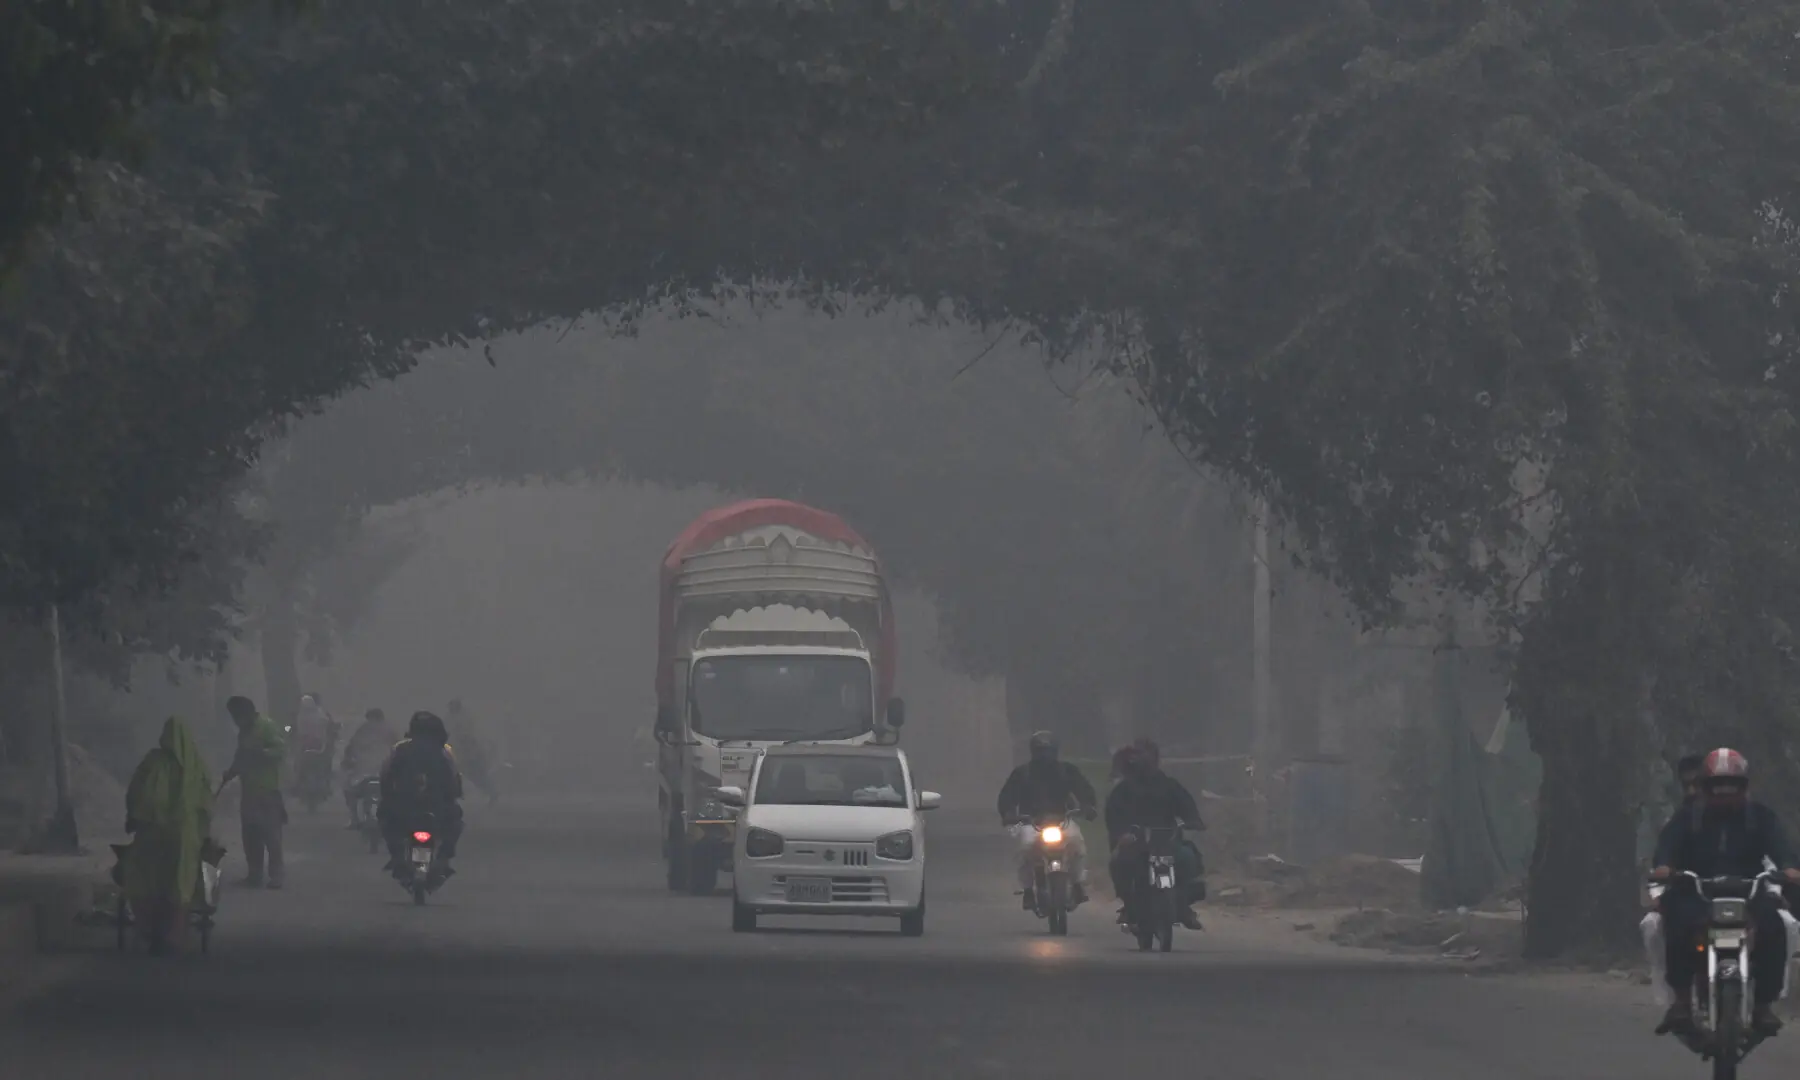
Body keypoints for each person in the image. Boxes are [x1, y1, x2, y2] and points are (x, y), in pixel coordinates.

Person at [1651, 747, 1800, 1036]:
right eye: (1717, 786)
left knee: (1775, 927)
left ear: (1744, 787)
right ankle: (1681, 1001)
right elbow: (1667, 847)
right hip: (1696, 891)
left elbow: (1781, 847)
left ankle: (1763, 1006)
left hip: (1749, 891)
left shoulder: (1761, 817)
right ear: (1705, 787)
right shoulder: (1687, 817)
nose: (1724, 792)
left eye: (1732, 786)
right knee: (1675, 925)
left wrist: (1789, 867)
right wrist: (1665, 867)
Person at [117, 717, 215, 954]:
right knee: (180, 884)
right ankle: (174, 937)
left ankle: (149, 931)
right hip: (184, 838)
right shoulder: (197, 766)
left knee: (146, 880)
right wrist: (202, 832)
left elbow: (137, 794)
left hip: (152, 835)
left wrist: (134, 818)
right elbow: (205, 805)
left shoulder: (153, 762)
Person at [1106, 740, 1205, 930]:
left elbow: (1187, 807)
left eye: (1147, 755)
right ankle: (1129, 905)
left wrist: (1193, 821)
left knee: (1188, 859)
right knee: (1119, 863)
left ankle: (1183, 905)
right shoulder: (1124, 789)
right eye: (1139, 755)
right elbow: (1113, 816)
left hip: (1167, 842)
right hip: (1136, 843)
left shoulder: (1169, 785)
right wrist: (1122, 834)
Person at [996, 731, 1098, 909]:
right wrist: (1008, 813)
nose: (1044, 755)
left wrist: (1088, 806)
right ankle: (1028, 890)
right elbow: (1007, 796)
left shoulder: (1067, 771)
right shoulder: (1022, 773)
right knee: (1024, 849)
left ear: (1055, 751)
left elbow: (1083, 789)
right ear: (1033, 751)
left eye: (1047, 750)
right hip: (1030, 822)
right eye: (1040, 751)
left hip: (1062, 820)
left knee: (1077, 844)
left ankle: (1077, 884)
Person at [379, 711, 465, 879]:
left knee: (385, 818)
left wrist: (387, 796)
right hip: (438, 806)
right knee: (455, 822)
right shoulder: (445, 751)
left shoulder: (400, 749)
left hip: (403, 805)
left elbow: (386, 775)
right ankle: (444, 858)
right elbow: (455, 778)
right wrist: (454, 794)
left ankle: (397, 856)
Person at [220, 696, 288, 889]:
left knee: (272, 836)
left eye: (238, 716)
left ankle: (277, 875)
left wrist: (262, 753)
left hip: (268, 790)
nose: (236, 721)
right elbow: (240, 756)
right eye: (234, 717)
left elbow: (281, 750)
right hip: (248, 791)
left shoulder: (267, 726)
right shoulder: (244, 732)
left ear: (248, 712)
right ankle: (254, 874)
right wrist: (231, 772)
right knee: (251, 835)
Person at [341, 708, 397, 828]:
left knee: (349, 789)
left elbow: (351, 747)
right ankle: (354, 818)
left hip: (369, 771)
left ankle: (354, 818)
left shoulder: (364, 729)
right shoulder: (386, 730)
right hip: (375, 771)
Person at [448, 698, 499, 804]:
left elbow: (467, 734)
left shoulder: (463, 718)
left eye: (452, 707)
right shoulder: (453, 718)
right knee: (470, 774)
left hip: (469, 753)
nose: (450, 709)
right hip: (463, 752)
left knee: (476, 775)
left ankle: (491, 792)